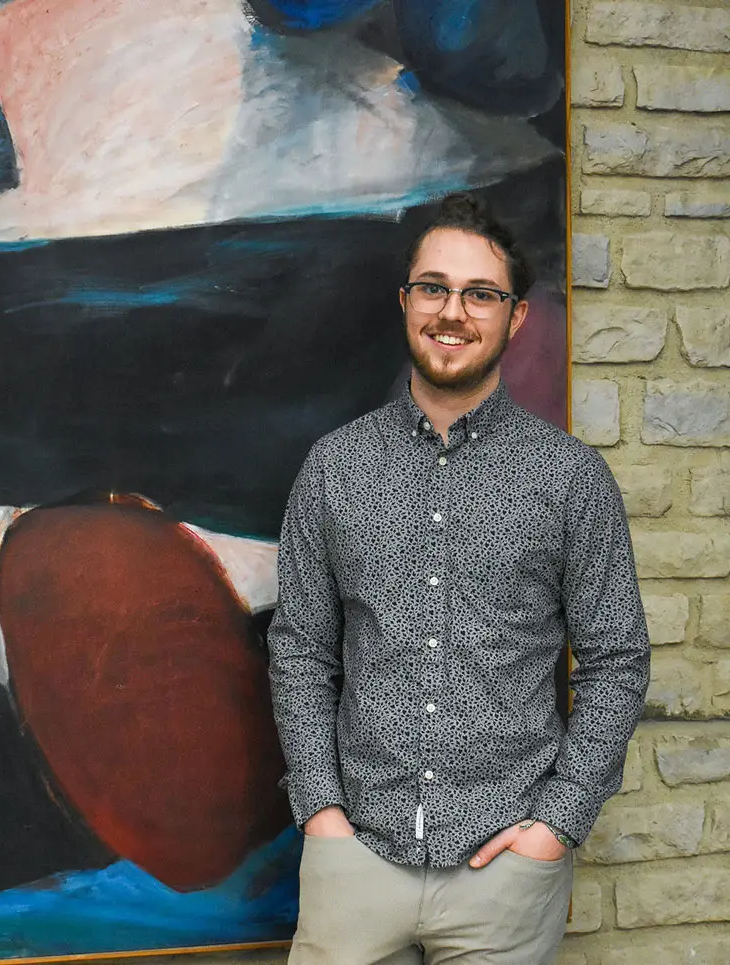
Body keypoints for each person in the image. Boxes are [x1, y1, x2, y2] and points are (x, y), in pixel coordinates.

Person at [267, 192, 650, 965]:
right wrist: (323, 816)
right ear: (406, 303)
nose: (453, 311)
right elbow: (302, 649)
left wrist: (556, 826)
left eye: (481, 293)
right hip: (357, 860)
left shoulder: (569, 478)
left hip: (504, 875)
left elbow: (617, 659)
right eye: (434, 287)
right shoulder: (334, 469)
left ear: (516, 318)